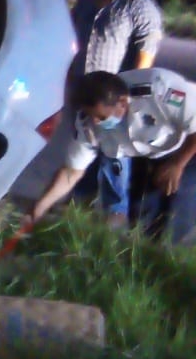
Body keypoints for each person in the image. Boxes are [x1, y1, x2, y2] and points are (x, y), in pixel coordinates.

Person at [28, 68, 196, 244]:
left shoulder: (159, 92)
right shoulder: (87, 123)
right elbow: (72, 171)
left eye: (101, 117)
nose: (96, 122)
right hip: (142, 153)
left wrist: (178, 164)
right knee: (142, 217)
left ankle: (175, 256)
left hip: (187, 149)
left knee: (181, 217)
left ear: (122, 103)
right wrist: (41, 206)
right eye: (92, 116)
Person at [69, 0, 163, 221]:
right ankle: (79, 215)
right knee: (82, 158)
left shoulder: (138, 7)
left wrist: (128, 99)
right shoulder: (85, 6)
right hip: (85, 98)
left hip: (115, 103)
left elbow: (146, 54)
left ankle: (115, 224)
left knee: (115, 163)